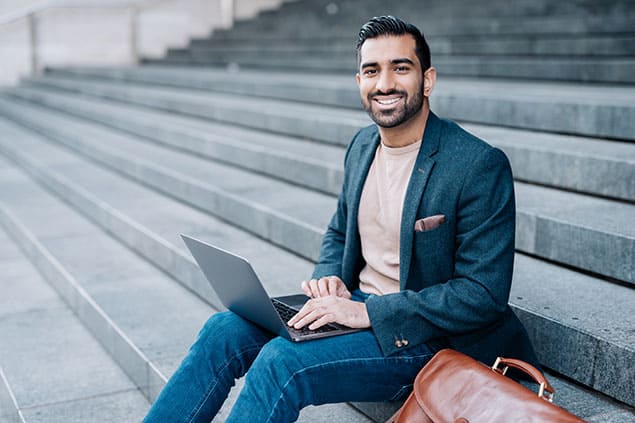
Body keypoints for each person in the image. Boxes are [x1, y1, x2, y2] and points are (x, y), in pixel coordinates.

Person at [143, 15, 538, 423]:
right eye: (372, 71)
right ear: (360, 83)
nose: (384, 83)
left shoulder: (477, 164)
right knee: (222, 331)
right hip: (355, 306)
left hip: (427, 339)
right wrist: (328, 278)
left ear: (428, 79)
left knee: (281, 361)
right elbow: (338, 231)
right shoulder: (363, 144)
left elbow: (483, 295)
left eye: (400, 68)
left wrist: (367, 313)